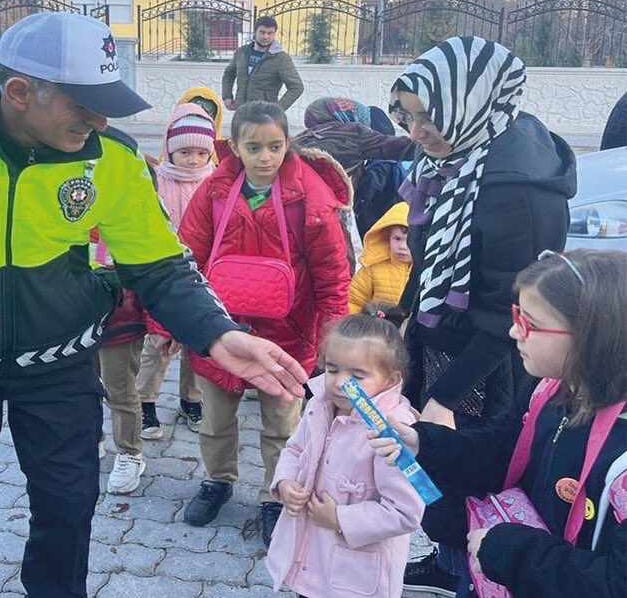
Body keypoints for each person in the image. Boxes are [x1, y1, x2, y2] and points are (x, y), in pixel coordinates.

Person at [0, 12, 308, 598]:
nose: (100, 119)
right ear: (22, 92)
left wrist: (217, 333)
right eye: (84, 103)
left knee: (68, 514)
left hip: (58, 371)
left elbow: (159, 265)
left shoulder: (113, 159)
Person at [389, 36, 577, 594]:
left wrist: (444, 395)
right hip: (442, 339)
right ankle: (450, 559)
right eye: (408, 115)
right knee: (442, 464)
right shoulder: (454, 156)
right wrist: (404, 314)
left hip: (488, 361)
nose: (416, 132)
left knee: (473, 462)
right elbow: (428, 258)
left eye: (429, 117)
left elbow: (508, 313)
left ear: (467, 103)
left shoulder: (515, 187)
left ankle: (476, 565)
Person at [369, 249, 627, 598]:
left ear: (591, 335)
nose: (512, 330)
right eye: (516, 313)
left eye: (528, 322)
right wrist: (426, 443)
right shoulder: (550, 390)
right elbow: (504, 449)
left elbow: (615, 582)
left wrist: (509, 550)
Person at [179, 101, 351, 547]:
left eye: (275, 146)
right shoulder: (215, 192)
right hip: (222, 331)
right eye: (253, 147)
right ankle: (218, 480)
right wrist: (168, 327)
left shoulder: (308, 196)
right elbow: (186, 258)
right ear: (234, 146)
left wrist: (331, 338)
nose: (265, 157)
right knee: (215, 420)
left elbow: (333, 273)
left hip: (289, 334)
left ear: (287, 143)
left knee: (282, 424)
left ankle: (275, 495)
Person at [266, 313, 424, 598]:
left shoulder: (390, 433)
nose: (340, 383)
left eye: (357, 375)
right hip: (308, 559)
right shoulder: (320, 406)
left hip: (354, 579)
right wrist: (285, 483)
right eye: (332, 369)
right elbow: (295, 449)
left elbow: (406, 512)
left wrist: (340, 518)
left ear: (390, 379)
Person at [138, 103, 217, 439]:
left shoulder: (215, 182)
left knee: (199, 341)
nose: (194, 160)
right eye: (185, 151)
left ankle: (191, 400)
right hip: (165, 272)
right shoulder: (157, 180)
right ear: (170, 148)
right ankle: (145, 402)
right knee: (157, 343)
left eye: (201, 153)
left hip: (204, 272)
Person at [293, 97, 412, 239]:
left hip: (301, 215)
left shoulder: (297, 141)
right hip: (336, 215)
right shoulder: (352, 133)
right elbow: (400, 148)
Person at [90, 230, 151, 494]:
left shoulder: (128, 211)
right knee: (84, 387)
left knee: (120, 392)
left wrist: (158, 325)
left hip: (122, 322)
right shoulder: (68, 212)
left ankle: (130, 453)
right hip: (80, 320)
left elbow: (157, 272)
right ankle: (92, 439)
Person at [221, 16, 304, 111]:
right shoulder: (242, 52)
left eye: (270, 33)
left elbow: (297, 87)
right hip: (241, 111)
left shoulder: (280, 58)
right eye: (262, 32)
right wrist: (227, 96)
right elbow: (228, 74)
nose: (266, 37)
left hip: (264, 116)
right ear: (255, 32)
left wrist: (277, 109)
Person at [348, 202, 412, 314]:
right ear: (388, 237)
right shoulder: (374, 267)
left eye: (409, 240)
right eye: (397, 239)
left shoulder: (425, 270)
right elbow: (354, 301)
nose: (402, 246)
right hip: (376, 328)